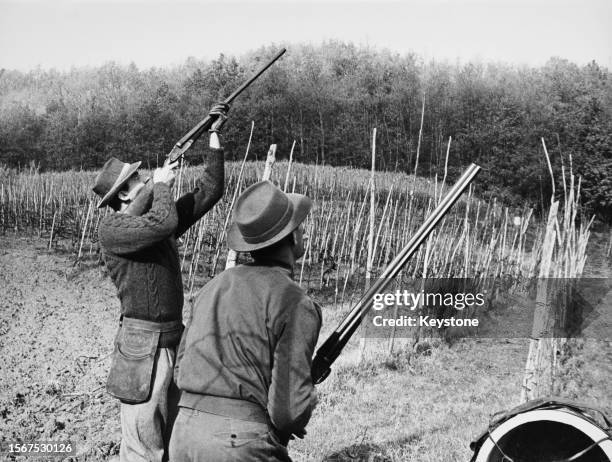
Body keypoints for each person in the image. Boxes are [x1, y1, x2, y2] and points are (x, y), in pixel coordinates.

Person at [92, 103, 229, 462]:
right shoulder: (113, 230)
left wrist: (214, 137)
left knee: (174, 442)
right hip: (141, 350)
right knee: (142, 449)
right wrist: (163, 186)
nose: (147, 178)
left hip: (173, 341)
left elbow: (209, 192)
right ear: (123, 194)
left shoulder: (154, 222)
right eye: (139, 179)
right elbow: (164, 222)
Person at [170, 181, 322, 462]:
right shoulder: (294, 301)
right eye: (299, 226)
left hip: (183, 434)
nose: (304, 232)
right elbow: (287, 413)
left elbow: (181, 369)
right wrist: (307, 401)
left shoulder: (212, 287)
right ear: (292, 238)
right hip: (238, 445)